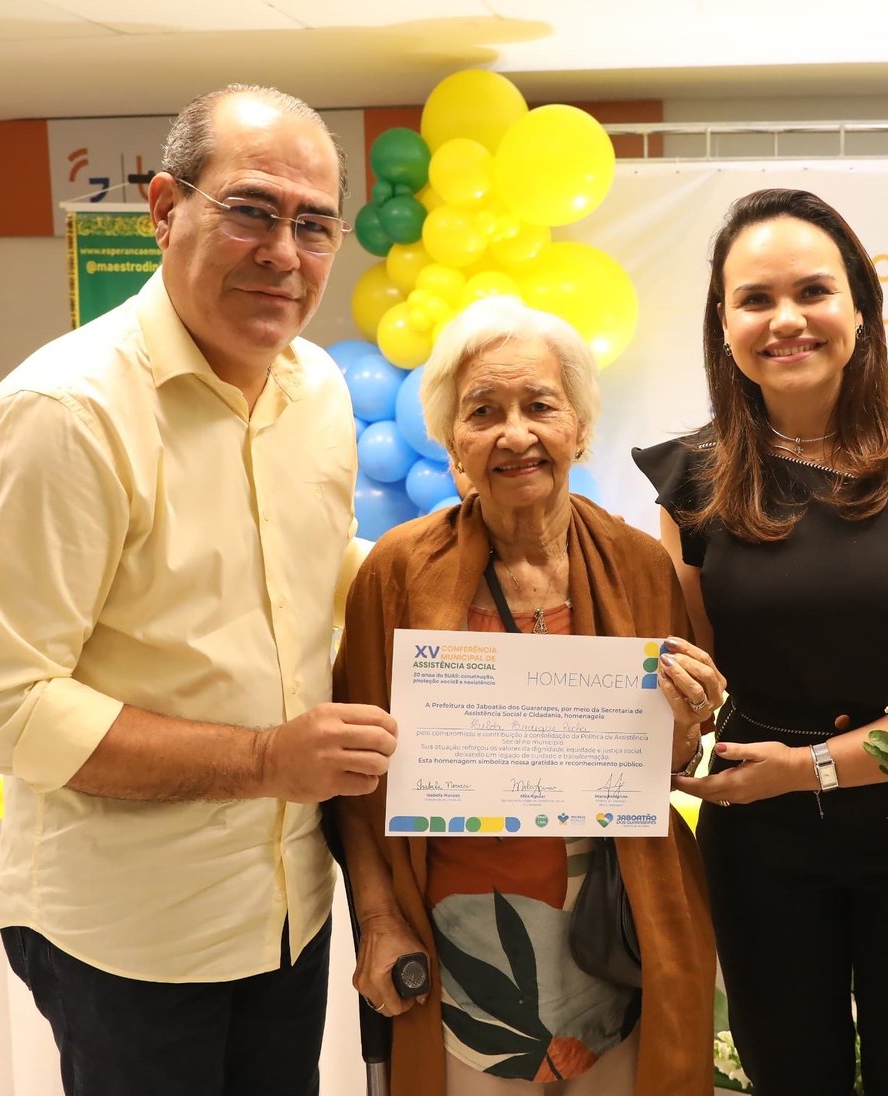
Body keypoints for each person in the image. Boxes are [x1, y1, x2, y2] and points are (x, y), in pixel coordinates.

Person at [0, 85, 394, 1096]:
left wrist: (473, 602)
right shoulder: (66, 412)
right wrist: (266, 760)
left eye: (313, 224)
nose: (283, 252)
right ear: (162, 207)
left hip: (288, 905)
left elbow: (316, 568)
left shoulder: (317, 391)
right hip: (132, 931)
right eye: (251, 210)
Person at [633, 188, 888, 1096]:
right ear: (722, 322)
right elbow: (691, 676)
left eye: (813, 291)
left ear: (860, 307)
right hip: (759, 837)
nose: (786, 320)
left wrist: (811, 770)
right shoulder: (693, 478)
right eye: (755, 299)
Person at [334, 295, 720, 1096]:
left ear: (579, 426)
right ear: (452, 442)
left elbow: (667, 764)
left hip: (617, 933)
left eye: (540, 406)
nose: (515, 435)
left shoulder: (639, 564)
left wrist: (688, 719)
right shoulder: (397, 572)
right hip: (461, 946)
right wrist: (377, 920)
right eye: (483, 412)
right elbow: (356, 784)